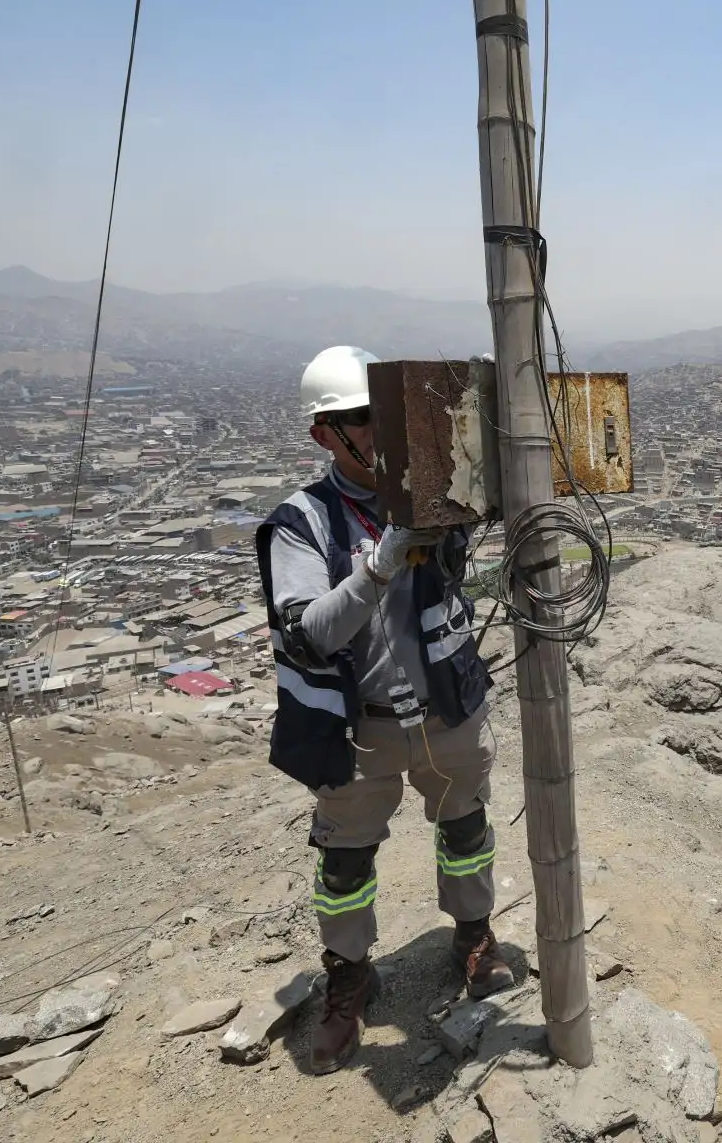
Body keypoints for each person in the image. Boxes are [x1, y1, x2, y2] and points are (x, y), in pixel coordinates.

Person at [255, 345, 510, 1075]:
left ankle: (473, 937)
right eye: (355, 420)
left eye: (381, 414)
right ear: (323, 436)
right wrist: (382, 558)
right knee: (345, 863)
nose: (374, 431)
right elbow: (311, 629)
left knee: (466, 827)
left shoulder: (433, 491)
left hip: (446, 708)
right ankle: (349, 978)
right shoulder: (304, 523)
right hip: (359, 727)